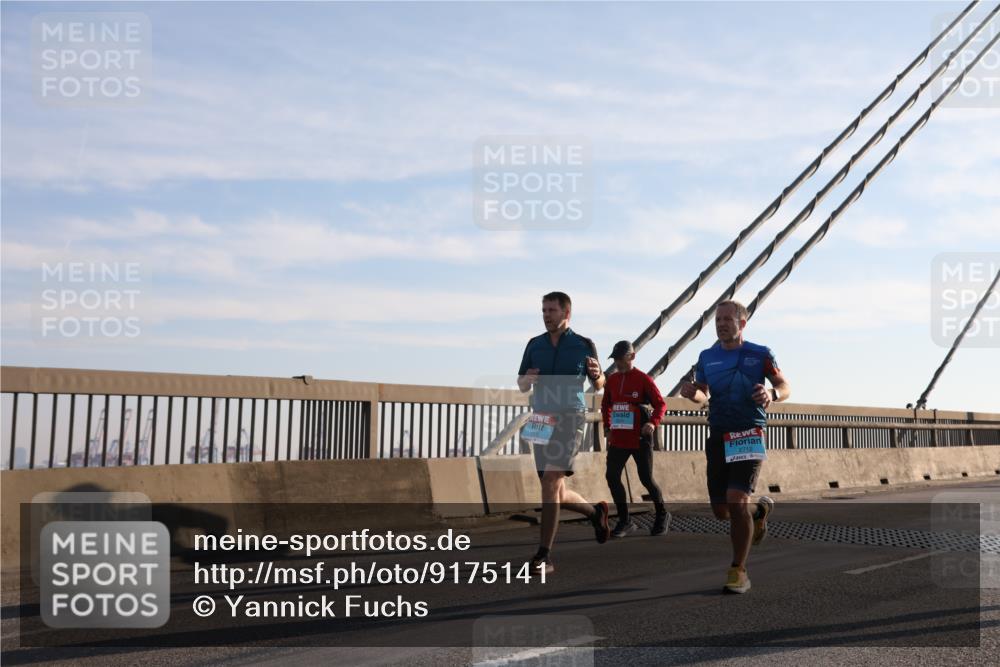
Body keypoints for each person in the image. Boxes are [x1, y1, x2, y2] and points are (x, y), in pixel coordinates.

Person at [679, 299, 790, 594]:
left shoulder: (760, 354)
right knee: (721, 510)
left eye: (727, 319)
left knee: (736, 499)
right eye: (718, 319)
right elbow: (704, 394)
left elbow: (784, 385)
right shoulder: (706, 357)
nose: (721, 324)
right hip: (718, 433)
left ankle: (738, 570)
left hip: (748, 433)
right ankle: (758, 513)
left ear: (742, 323)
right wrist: (693, 394)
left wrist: (772, 393)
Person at [517, 291, 610, 574]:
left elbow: (600, 384)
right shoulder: (534, 345)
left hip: (571, 418)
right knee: (555, 488)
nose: (546, 315)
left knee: (550, 480)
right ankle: (596, 513)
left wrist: (596, 375)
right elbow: (522, 384)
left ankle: (544, 556)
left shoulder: (584, 344)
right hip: (541, 419)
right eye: (543, 310)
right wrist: (527, 379)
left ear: (566, 313)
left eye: (551, 310)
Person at [600, 340, 671, 537]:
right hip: (619, 438)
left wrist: (653, 423)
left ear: (631, 357)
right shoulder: (612, 380)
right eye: (615, 359)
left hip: (640, 436)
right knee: (612, 476)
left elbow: (660, 404)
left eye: (620, 359)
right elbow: (605, 404)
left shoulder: (643, 379)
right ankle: (625, 521)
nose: (617, 363)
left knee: (646, 478)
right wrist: (607, 426)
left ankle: (662, 514)